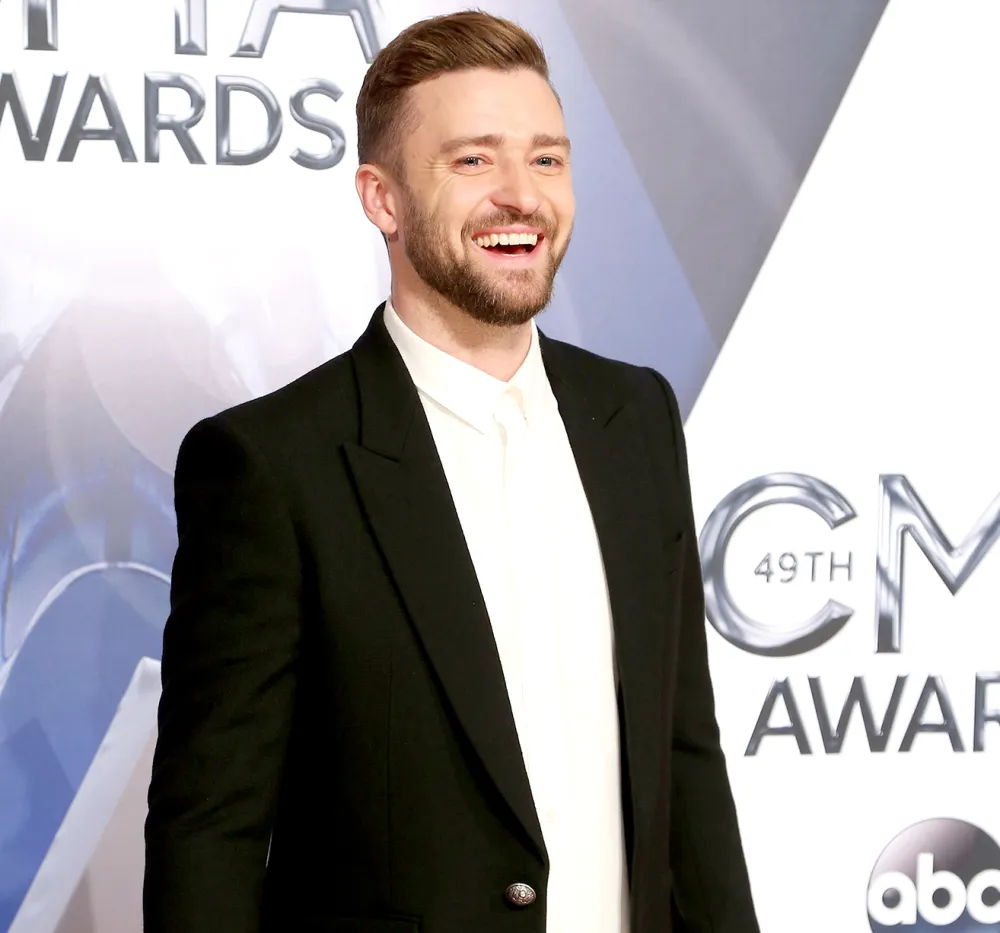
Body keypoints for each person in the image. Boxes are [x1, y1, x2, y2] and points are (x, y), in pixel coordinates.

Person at [143, 11, 758, 933]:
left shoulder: (635, 419)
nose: (522, 195)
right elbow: (211, 836)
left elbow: (685, 757)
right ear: (381, 199)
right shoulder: (271, 465)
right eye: (474, 160)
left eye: (547, 159)